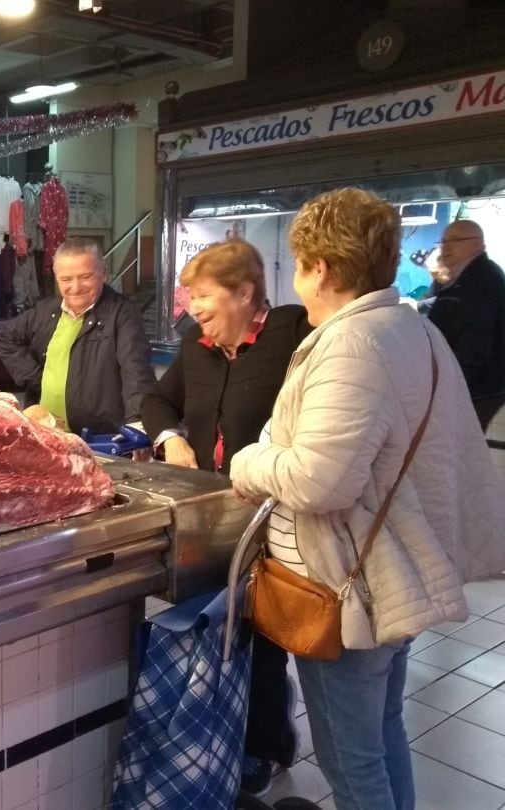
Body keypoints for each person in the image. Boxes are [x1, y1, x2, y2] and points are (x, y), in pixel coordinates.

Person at [230, 188, 505, 810]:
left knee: (349, 758)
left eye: (299, 264)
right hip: (394, 568)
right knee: (382, 734)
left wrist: (249, 459)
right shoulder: (412, 328)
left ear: (320, 267)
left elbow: (319, 480)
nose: (296, 280)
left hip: (349, 586)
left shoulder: (351, 344)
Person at [140, 238, 310, 796]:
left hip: (274, 513)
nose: (193, 308)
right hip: (212, 513)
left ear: (244, 292)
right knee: (222, 627)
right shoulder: (198, 345)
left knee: (264, 632)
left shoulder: (293, 335)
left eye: (203, 296)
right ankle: (224, 727)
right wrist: (170, 438)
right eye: (190, 296)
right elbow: (157, 402)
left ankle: (263, 743)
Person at [0, 237, 156, 435]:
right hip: (46, 432)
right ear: (57, 279)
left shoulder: (122, 314)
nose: (76, 287)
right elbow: (5, 337)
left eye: (85, 276)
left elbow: (136, 370)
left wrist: (137, 423)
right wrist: (35, 378)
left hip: (100, 438)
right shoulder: (45, 311)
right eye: (66, 279)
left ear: (103, 274)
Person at [423, 219, 505, 430]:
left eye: (456, 240)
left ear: (478, 244)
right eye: (443, 241)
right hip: (467, 384)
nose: (446, 247)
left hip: (475, 388)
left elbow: (475, 345)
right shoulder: (460, 277)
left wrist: (450, 389)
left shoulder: (481, 281)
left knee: (457, 445)